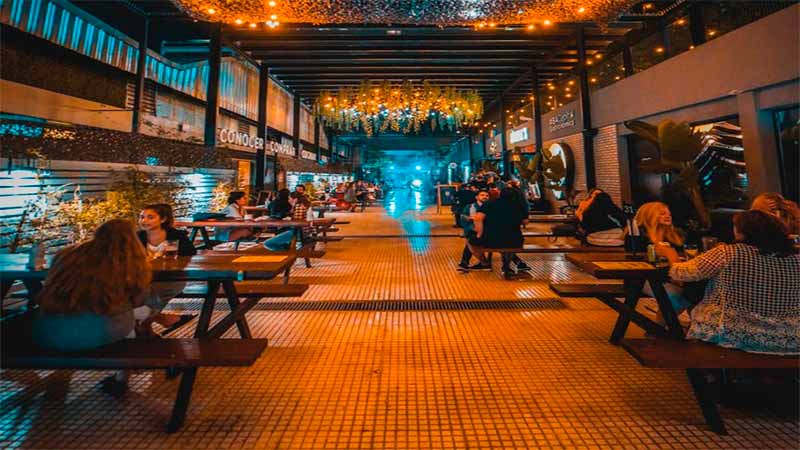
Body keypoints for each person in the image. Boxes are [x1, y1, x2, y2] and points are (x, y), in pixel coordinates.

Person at [33, 219, 152, 395]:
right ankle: (122, 379)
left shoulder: (67, 254)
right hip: (101, 335)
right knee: (140, 314)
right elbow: (138, 300)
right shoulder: (132, 264)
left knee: (130, 314)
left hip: (50, 332)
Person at [669, 210, 799, 354]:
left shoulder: (728, 252)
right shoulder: (795, 259)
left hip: (731, 333)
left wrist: (670, 255)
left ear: (744, 231)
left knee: (693, 295)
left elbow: (682, 273)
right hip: (788, 338)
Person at [137, 204, 197, 336]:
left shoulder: (176, 235)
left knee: (151, 292)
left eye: (150, 217)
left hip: (172, 277)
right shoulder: (137, 237)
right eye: (142, 217)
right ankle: (154, 323)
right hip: (144, 277)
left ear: (163, 219)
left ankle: (147, 324)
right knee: (140, 291)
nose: (144, 220)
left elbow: (191, 253)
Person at [468, 187, 528, 276]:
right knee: (507, 243)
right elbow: (525, 221)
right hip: (515, 240)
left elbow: (478, 218)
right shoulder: (519, 205)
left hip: (492, 239)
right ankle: (506, 265)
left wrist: (479, 233)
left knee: (470, 241)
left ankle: (484, 263)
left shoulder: (489, 203)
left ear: (501, 194)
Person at [458, 190, 490, 270]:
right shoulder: (470, 207)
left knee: (471, 242)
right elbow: (463, 218)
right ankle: (465, 262)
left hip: (486, 231)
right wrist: (471, 223)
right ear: (477, 197)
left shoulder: (490, 206)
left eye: (487, 195)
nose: (485, 197)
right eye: (482, 195)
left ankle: (465, 262)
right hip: (472, 230)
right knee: (471, 239)